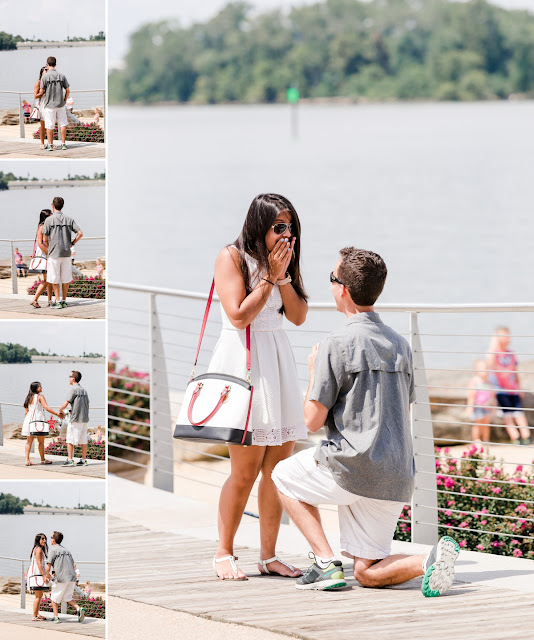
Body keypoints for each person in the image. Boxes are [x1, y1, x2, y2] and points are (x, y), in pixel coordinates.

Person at [272, 247, 460, 595]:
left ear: (341, 288)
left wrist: (313, 374)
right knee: (368, 573)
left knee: (282, 475)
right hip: (395, 473)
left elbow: (312, 420)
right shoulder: (401, 344)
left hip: (352, 469)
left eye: (331, 278)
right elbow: (402, 404)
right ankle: (427, 562)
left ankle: (326, 562)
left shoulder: (336, 342)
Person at [210, 193, 308, 580]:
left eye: (292, 228)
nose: (287, 235)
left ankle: (268, 556)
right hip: (244, 362)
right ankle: (223, 552)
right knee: (245, 470)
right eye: (279, 227)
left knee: (278, 470)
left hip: (278, 363)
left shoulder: (285, 259)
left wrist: (283, 276)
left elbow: (298, 316)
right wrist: (268, 275)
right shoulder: (231, 257)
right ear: (259, 226)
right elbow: (238, 317)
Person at [487, 327, 531, 445]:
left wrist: (519, 387)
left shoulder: (511, 353)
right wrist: (494, 343)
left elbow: (515, 371)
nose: (507, 338)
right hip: (501, 390)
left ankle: (526, 436)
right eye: (503, 336)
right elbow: (489, 363)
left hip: (513, 389)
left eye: (508, 336)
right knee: (507, 415)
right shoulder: (495, 354)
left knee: (519, 413)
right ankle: (515, 438)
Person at [42, 196, 83, 308]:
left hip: (54, 254)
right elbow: (80, 233)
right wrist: (72, 243)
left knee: (54, 278)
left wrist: (49, 248)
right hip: (66, 253)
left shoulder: (48, 220)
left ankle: (58, 300)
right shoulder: (69, 219)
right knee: (65, 279)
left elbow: (44, 239)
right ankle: (64, 300)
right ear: (62, 206)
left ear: (52, 206)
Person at [45, 531, 85, 624]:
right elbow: (73, 565)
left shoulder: (53, 550)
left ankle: (56, 617)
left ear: (54, 540)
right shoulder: (67, 550)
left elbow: (48, 566)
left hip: (61, 578)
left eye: (51, 537)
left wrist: (48, 575)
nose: (50, 539)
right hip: (71, 577)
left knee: (54, 598)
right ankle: (79, 608)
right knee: (67, 597)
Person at [22, 382, 63, 466]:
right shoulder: (40, 397)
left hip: (29, 420)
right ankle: (42, 460)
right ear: (36, 388)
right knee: (41, 442)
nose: (41, 388)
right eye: (40, 386)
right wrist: (56, 414)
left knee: (28, 442)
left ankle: (27, 460)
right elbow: (46, 407)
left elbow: (26, 412)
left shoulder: (28, 397)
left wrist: (28, 420)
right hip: (38, 420)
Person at [58, 371, 90, 466]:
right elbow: (87, 405)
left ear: (73, 378)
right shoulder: (84, 390)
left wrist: (60, 411)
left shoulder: (73, 390)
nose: (68, 378)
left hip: (75, 419)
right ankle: (83, 460)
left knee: (70, 439)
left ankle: (70, 460)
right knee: (84, 440)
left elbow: (66, 403)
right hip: (84, 419)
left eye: (70, 376)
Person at [40, 56, 70, 151]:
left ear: (47, 65)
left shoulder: (44, 76)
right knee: (63, 124)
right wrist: (65, 100)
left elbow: (41, 91)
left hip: (49, 105)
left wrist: (37, 95)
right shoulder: (61, 75)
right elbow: (68, 90)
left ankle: (50, 145)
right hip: (60, 104)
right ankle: (63, 143)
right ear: (56, 64)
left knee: (49, 125)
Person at [467, 359, 497, 443]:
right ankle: (476, 440)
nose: (485, 370)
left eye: (487, 368)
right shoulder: (475, 381)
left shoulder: (489, 382)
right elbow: (471, 395)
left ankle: (486, 439)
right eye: (483, 368)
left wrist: (493, 406)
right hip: (478, 406)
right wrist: (470, 407)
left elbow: (492, 395)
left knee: (486, 424)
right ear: (477, 370)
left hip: (487, 406)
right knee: (477, 424)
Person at [30, 209, 54, 309]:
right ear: (46, 217)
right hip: (45, 255)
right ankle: (34, 299)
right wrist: (50, 253)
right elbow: (40, 243)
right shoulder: (43, 227)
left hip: (44, 253)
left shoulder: (42, 226)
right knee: (48, 279)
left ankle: (50, 300)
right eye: (51, 215)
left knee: (48, 279)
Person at [28, 533, 50, 621]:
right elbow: (39, 563)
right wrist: (44, 575)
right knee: (38, 596)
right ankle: (34, 616)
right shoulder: (39, 549)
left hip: (37, 574)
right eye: (42, 539)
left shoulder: (38, 549)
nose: (44, 541)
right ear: (38, 540)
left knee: (39, 595)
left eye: (45, 539)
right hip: (37, 575)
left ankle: (37, 613)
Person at [33, 66, 48, 149]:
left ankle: (50, 143)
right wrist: (42, 92)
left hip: (50, 104)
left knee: (50, 125)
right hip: (42, 105)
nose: (47, 71)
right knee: (43, 126)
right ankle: (42, 143)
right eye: (45, 70)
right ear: (42, 72)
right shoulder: (38, 82)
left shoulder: (50, 82)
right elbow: (35, 96)